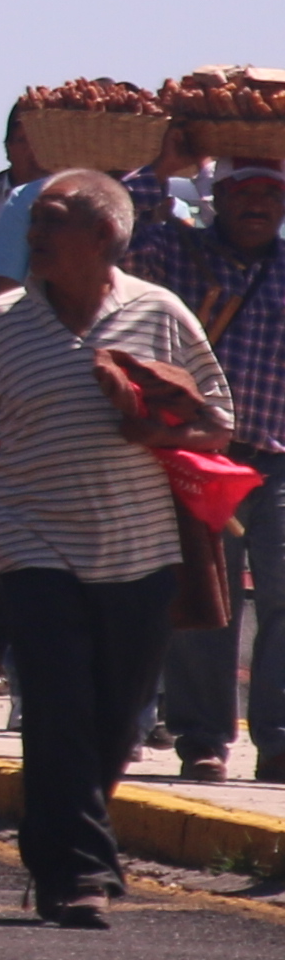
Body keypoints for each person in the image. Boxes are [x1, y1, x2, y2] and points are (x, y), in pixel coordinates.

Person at [0, 168, 236, 927]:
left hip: (142, 553)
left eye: (52, 220)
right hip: (34, 545)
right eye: (34, 220)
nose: (34, 234)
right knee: (57, 704)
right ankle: (81, 873)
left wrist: (152, 426)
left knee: (114, 720)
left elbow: (217, 423)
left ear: (104, 236)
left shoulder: (159, 313)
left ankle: (55, 847)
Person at [131, 152, 285, 781]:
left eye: (271, 193)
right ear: (216, 198)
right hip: (201, 458)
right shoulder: (177, 253)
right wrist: (161, 165)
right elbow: (123, 237)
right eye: (243, 191)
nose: (257, 204)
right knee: (205, 601)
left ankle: (279, 740)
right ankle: (202, 738)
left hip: (276, 462)